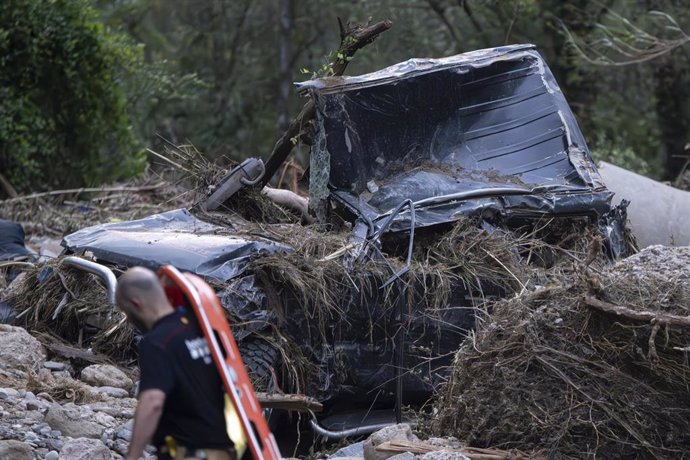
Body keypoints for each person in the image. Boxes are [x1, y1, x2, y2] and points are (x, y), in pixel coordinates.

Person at [115, 266, 234, 460]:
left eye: (127, 312)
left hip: (188, 453)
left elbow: (153, 401)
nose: (129, 319)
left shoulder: (157, 342)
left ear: (136, 304)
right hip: (223, 452)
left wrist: (133, 455)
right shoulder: (201, 328)